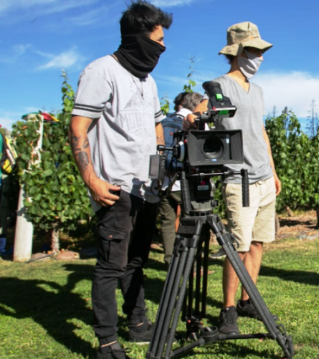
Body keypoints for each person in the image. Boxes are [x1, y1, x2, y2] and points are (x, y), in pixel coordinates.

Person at [68, 2, 172, 358]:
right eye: (159, 41)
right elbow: (78, 128)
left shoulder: (148, 80)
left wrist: (159, 163)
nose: (163, 48)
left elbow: (157, 123)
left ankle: (138, 323)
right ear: (140, 38)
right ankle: (107, 342)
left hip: (146, 186)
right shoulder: (101, 72)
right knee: (111, 266)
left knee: (136, 261)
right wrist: (93, 182)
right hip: (115, 187)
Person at [189, 21, 281, 335]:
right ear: (239, 51)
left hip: (264, 178)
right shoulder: (219, 85)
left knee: (257, 244)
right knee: (237, 248)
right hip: (238, 179)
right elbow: (198, 113)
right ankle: (228, 310)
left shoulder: (257, 91)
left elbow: (261, 132)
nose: (261, 58)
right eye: (255, 50)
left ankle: (247, 300)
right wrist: (195, 119)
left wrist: (274, 171)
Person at [158, 91, 203, 266]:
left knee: (167, 223)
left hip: (163, 182)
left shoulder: (162, 123)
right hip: (185, 182)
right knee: (191, 224)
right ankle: (189, 264)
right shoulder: (193, 124)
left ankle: (171, 262)